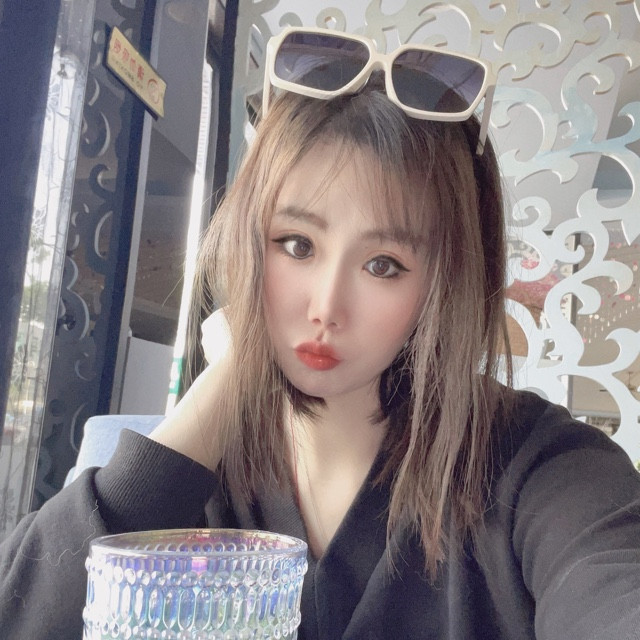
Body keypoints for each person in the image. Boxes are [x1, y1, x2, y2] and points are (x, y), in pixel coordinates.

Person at [1, 27, 640, 640]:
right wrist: (226, 380)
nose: (326, 307)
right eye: (296, 244)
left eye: (383, 265)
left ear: (442, 286)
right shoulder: (205, 480)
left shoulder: (540, 470)